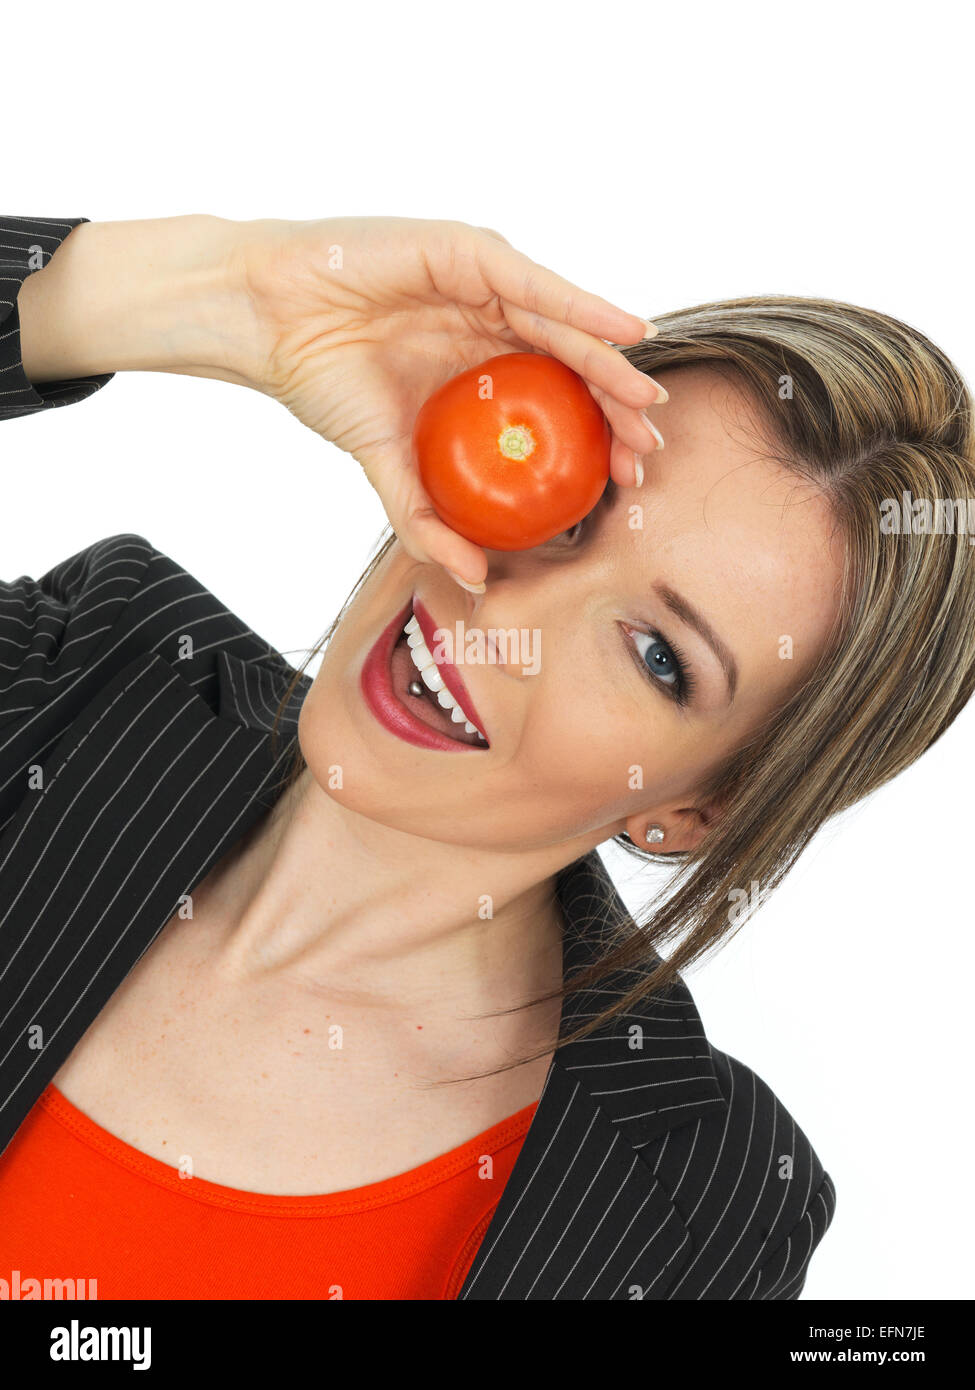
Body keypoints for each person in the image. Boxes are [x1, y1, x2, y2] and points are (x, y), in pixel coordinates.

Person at [1, 212, 970, 1300]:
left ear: (700, 808)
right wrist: (216, 294)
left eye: (658, 654)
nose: (498, 604)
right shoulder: (79, 673)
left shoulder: (694, 1212)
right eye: (570, 499)